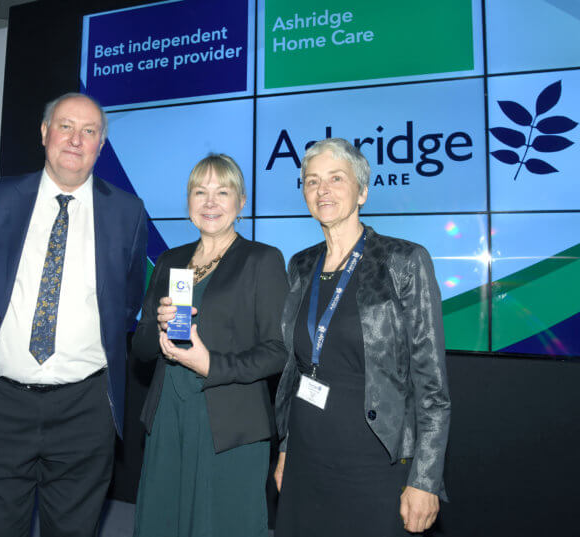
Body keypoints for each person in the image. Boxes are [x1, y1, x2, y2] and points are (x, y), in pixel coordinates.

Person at [0, 92, 147, 537]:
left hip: (86, 408)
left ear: (101, 144)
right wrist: (0, 333)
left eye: (89, 131)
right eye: (65, 126)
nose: (76, 139)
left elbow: (129, 300)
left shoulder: (127, 211)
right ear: (44, 133)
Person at [273, 138, 451, 536]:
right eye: (312, 181)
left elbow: (432, 387)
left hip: (374, 463)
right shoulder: (301, 264)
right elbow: (293, 370)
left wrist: (425, 479)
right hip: (306, 457)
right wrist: (285, 447)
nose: (322, 189)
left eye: (336, 178)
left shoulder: (403, 261)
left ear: (362, 191)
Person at [131, 154, 288, 537]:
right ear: (188, 202)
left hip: (229, 423)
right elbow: (142, 348)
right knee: (163, 523)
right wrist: (158, 324)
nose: (210, 202)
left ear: (241, 202)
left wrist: (211, 365)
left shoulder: (262, 260)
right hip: (168, 416)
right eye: (200, 192)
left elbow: (279, 351)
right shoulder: (169, 260)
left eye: (223, 192)